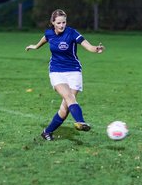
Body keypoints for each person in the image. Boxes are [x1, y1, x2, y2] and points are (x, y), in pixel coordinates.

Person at [25, 9, 105, 141]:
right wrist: (35, 46)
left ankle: (47, 132)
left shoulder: (72, 33)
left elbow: (88, 46)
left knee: (65, 107)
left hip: (74, 71)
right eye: (59, 23)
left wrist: (96, 49)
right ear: (53, 22)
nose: (62, 25)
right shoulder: (49, 33)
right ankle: (81, 122)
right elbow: (43, 40)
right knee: (69, 96)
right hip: (56, 71)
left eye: (64, 22)